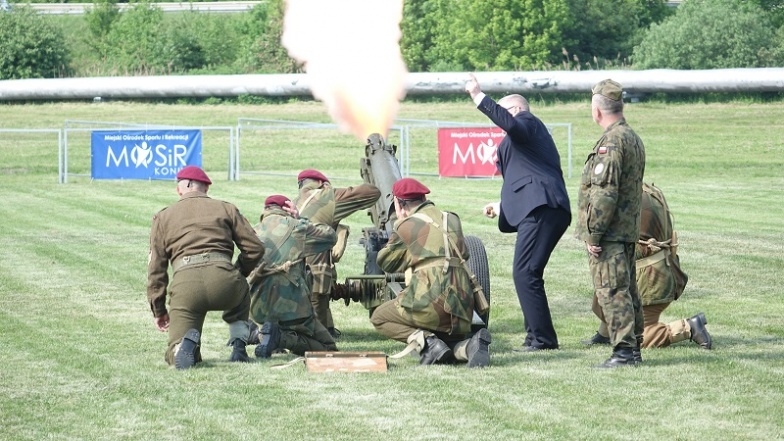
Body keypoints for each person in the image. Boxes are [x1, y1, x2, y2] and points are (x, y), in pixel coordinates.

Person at [465, 73, 571, 351]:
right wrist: (501, 206)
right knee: (528, 272)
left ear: (516, 109)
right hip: (541, 205)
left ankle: (542, 339)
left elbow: (513, 126)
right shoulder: (529, 140)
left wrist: (479, 96)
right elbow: (529, 177)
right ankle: (537, 336)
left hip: (542, 207)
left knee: (525, 272)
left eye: (505, 112)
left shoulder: (527, 121)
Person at [147, 165, 265, 369]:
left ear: (180, 189)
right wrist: (238, 272)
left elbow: (156, 270)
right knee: (241, 290)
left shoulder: (163, 217)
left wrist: (159, 310)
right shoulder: (226, 208)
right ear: (206, 189)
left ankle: (183, 347)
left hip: (186, 286)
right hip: (225, 281)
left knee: (176, 351)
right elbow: (255, 248)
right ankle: (239, 347)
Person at [369, 178, 492, 368]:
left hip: (431, 300)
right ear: (424, 198)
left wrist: (402, 236)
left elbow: (386, 262)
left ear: (399, 204)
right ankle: (470, 346)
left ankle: (428, 342)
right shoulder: (451, 218)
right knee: (446, 338)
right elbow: (464, 254)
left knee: (380, 317)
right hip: (462, 305)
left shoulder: (406, 224)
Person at [582, 182, 712, 350]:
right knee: (605, 288)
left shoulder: (628, 200)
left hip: (650, 279)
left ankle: (689, 327)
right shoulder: (640, 190)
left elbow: (626, 248)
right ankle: (606, 333)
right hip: (656, 269)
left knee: (637, 337)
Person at [576, 79, 646, 368]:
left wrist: (594, 234)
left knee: (612, 291)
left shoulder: (612, 142)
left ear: (597, 110)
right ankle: (633, 348)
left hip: (611, 234)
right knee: (627, 290)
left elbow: (604, 193)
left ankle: (624, 353)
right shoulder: (631, 136)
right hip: (626, 230)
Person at [247, 194, 339, 358]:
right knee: (328, 347)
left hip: (258, 308)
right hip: (292, 309)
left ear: (265, 210)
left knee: (277, 325)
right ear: (287, 209)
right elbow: (330, 236)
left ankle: (260, 335)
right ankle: (281, 339)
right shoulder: (297, 227)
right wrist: (300, 217)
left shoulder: (251, 231)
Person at [293, 168, 381, 339]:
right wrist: (336, 192)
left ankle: (325, 327)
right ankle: (317, 331)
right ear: (322, 183)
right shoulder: (326, 196)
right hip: (315, 276)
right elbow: (372, 193)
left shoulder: (294, 202)